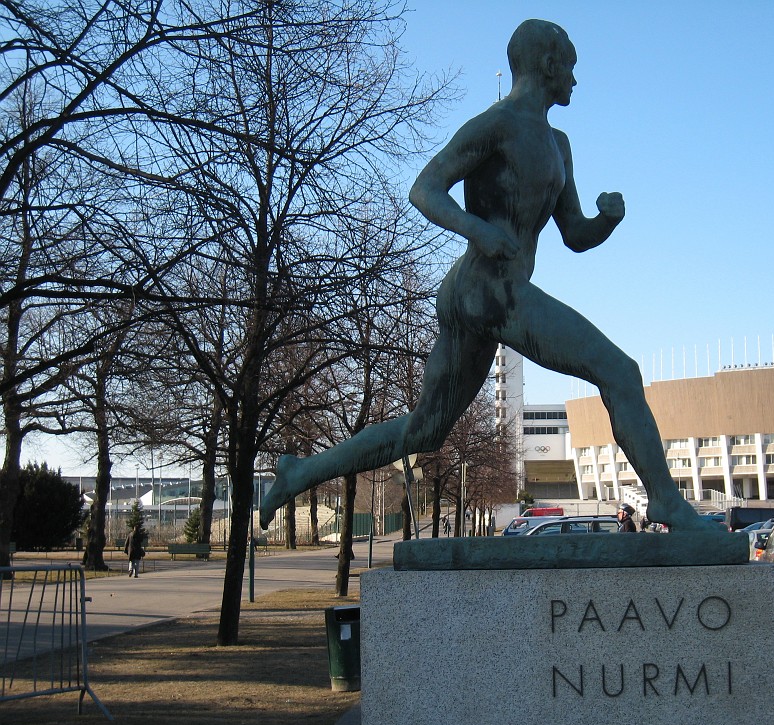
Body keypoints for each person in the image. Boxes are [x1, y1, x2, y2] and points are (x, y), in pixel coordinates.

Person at [259, 19, 718, 536]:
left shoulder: (559, 145)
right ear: (548, 65)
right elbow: (425, 188)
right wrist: (477, 229)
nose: (575, 80)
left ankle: (299, 473)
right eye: (570, 67)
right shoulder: (497, 123)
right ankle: (666, 504)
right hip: (487, 288)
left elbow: (573, 234)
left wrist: (606, 220)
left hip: (485, 294)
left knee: (424, 430)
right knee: (619, 372)